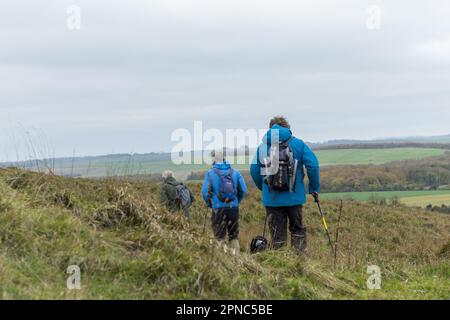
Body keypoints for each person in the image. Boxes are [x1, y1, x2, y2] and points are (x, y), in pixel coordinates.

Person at [250, 116, 320, 255]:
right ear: (287, 128)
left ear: (271, 129)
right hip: (294, 197)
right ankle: (299, 263)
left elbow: (253, 170)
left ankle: (280, 265)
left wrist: (263, 187)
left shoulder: (262, 147)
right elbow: (313, 165)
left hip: (272, 199)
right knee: (297, 230)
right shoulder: (298, 144)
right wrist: (313, 188)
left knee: (277, 235)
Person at [201, 150, 247, 253]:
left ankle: (221, 261)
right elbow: (243, 190)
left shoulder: (210, 173)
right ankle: (237, 260)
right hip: (233, 208)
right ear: (224, 158)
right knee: (233, 236)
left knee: (219, 237)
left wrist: (210, 204)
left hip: (217, 208)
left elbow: (204, 192)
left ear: (214, 159)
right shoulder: (235, 172)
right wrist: (236, 202)